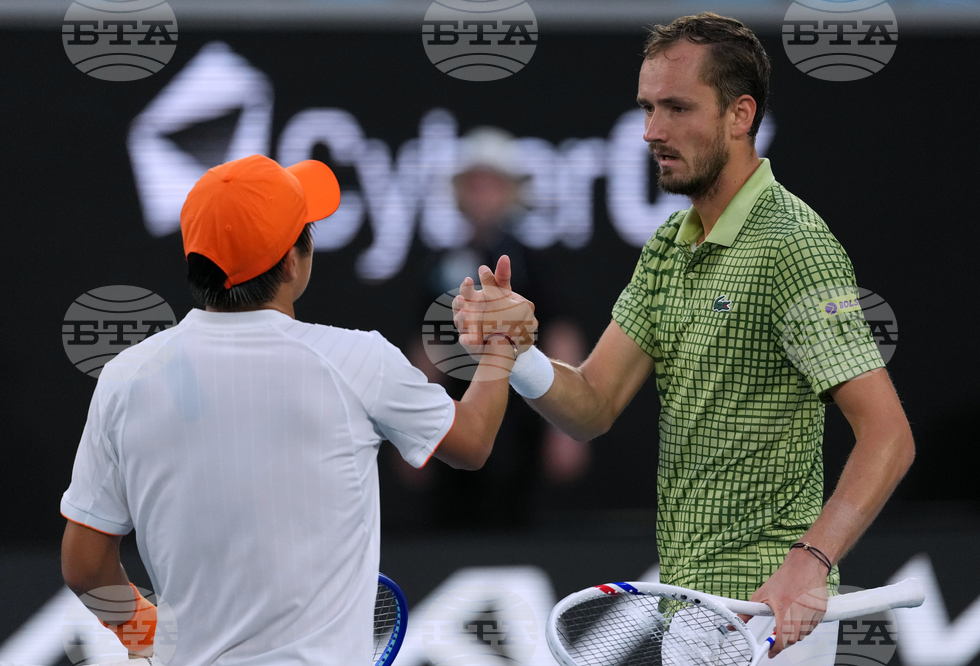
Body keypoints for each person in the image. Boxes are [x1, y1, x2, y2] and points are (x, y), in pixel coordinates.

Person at [453, 13, 914, 663]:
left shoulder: (793, 245)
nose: (651, 132)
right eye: (647, 108)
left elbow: (888, 435)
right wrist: (516, 354)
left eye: (676, 108)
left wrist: (809, 563)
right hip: (691, 605)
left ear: (739, 114)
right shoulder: (669, 246)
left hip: (765, 614)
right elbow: (591, 405)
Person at [58, 155, 534, 665]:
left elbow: (85, 566)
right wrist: (502, 343)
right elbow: (474, 441)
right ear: (291, 261)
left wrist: (146, 637)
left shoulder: (126, 378)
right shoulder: (357, 360)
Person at [401, 127, 589, 531]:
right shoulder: (441, 262)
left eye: (492, 185)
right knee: (451, 526)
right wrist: (409, 429)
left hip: (519, 424)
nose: (482, 195)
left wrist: (567, 424)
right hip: (452, 419)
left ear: (510, 191)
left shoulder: (534, 261)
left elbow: (561, 334)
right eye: (474, 184)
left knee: (514, 526)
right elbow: (427, 346)